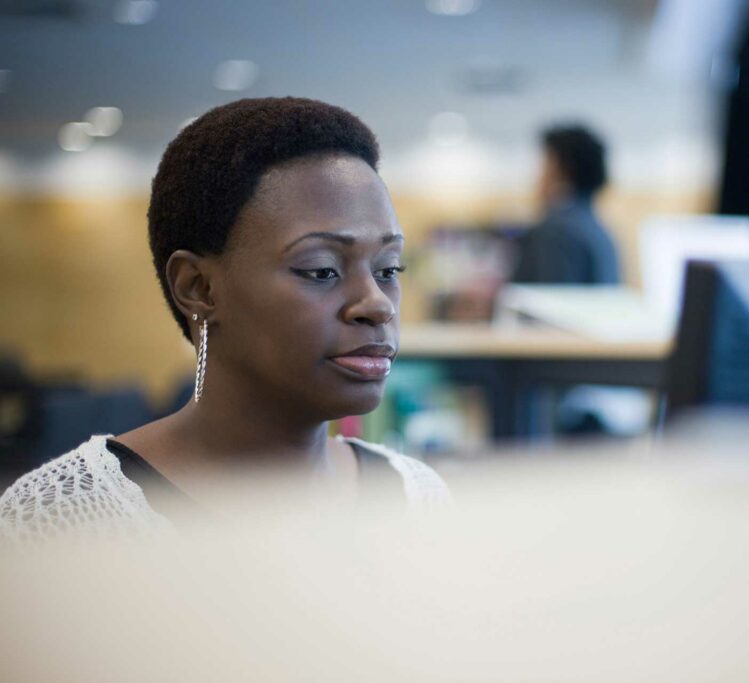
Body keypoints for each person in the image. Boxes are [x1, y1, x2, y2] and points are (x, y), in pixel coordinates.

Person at [0, 97, 449, 541]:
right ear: (198, 287)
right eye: (321, 270)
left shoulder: (418, 500)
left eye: (388, 269)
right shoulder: (63, 520)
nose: (378, 304)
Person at [512, 124, 620, 285]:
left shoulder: (555, 231)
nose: (538, 178)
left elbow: (547, 304)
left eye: (544, 166)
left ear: (559, 170)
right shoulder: (598, 230)